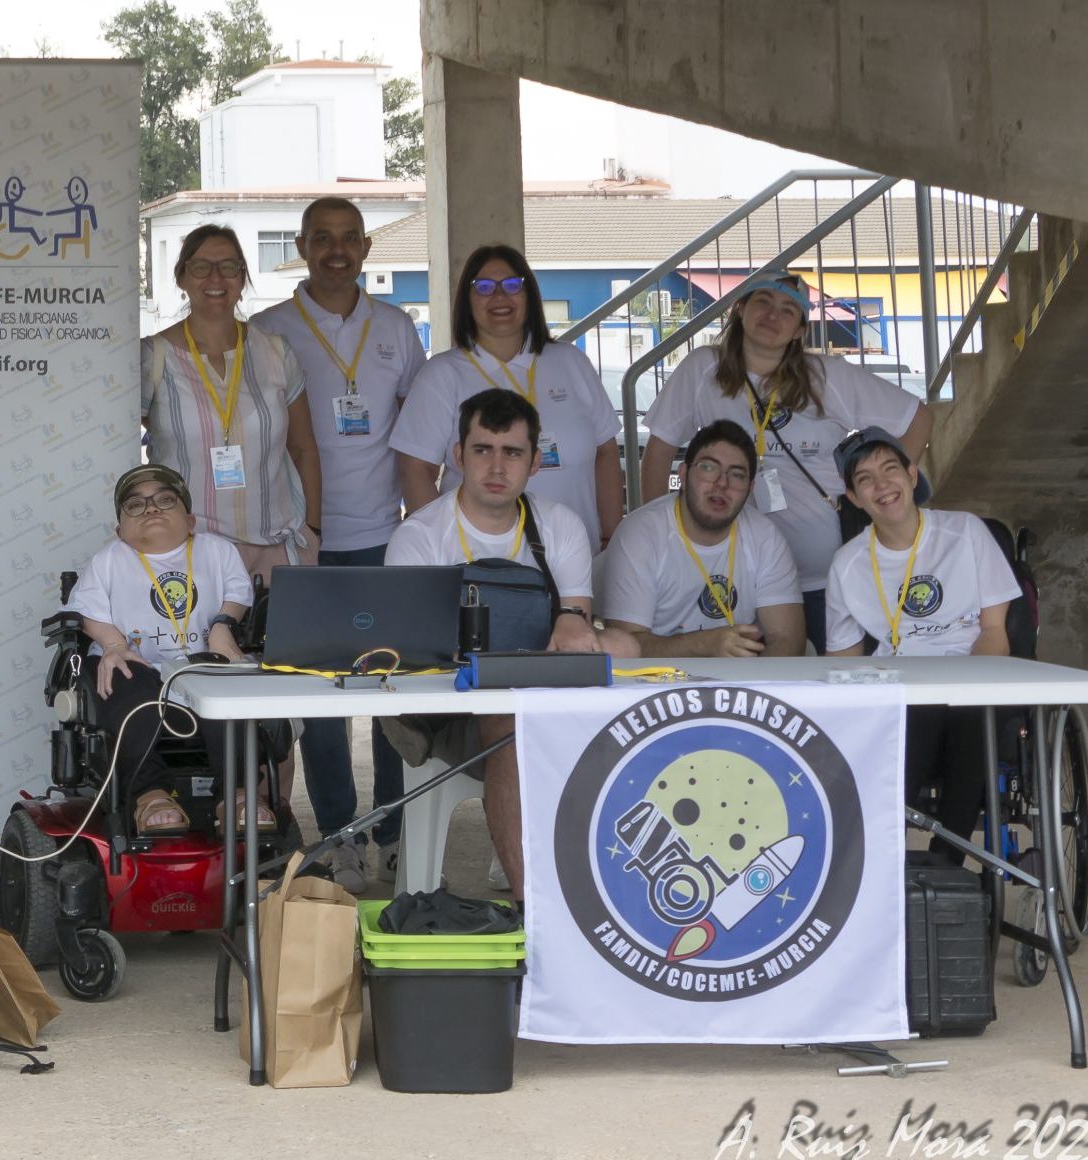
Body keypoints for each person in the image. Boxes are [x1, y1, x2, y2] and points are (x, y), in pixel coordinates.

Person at [386, 389, 631, 893]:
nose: (497, 466)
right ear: (458, 456)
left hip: (539, 691)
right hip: (442, 707)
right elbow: (406, 657)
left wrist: (571, 620)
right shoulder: (420, 536)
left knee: (625, 675)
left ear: (535, 463)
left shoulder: (559, 526)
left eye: (513, 452)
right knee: (508, 718)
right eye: (482, 449)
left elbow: (576, 631)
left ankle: (610, 887)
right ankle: (533, 907)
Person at [252, 196, 426, 892]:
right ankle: (339, 836)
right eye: (322, 238)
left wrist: (423, 525)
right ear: (301, 245)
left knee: (393, 695)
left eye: (349, 239)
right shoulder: (268, 330)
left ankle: (391, 830)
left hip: (387, 535)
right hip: (306, 541)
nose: (336, 250)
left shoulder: (395, 328)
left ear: (365, 248)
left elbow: (416, 432)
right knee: (321, 704)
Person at [641, 272, 931, 633]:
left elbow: (916, 418)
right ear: (740, 309)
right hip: (734, 576)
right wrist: (653, 532)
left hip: (828, 575)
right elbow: (659, 449)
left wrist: (884, 494)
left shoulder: (828, 375)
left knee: (836, 677)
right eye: (763, 302)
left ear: (799, 331)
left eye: (788, 310)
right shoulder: (703, 368)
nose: (772, 315)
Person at [823, 427, 1019, 861]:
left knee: (970, 720)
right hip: (899, 683)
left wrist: (959, 688)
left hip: (974, 675)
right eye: (865, 479)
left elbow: (993, 632)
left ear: (912, 475)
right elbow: (844, 658)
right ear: (854, 498)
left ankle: (945, 860)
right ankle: (880, 861)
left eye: (890, 469)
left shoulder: (966, 532)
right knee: (909, 716)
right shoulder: (847, 565)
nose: (882, 485)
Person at [66, 465, 260, 835]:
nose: (151, 509)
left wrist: (222, 626)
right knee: (128, 679)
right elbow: (86, 612)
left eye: (164, 501)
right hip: (139, 663)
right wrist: (113, 645)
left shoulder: (216, 550)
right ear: (120, 530)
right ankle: (149, 793)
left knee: (226, 688)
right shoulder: (110, 558)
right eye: (135, 505)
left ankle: (235, 794)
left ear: (190, 520)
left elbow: (238, 595)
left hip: (201, 661)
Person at [393, 245, 621, 548]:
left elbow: (605, 452)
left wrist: (611, 537)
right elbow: (415, 470)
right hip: (482, 566)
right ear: (467, 300)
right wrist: (445, 548)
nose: (499, 296)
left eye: (513, 285)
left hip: (577, 555)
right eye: (484, 287)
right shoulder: (442, 373)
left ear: (530, 295)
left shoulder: (570, 361)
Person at [143, 223, 322, 579]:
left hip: (277, 547)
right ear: (181, 277)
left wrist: (313, 531)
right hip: (189, 551)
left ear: (242, 278)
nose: (215, 278)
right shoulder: (152, 356)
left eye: (229, 267)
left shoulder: (275, 351)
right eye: (200, 267)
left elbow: (304, 449)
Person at [598, 420, 806, 657]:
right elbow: (625, 649)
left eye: (737, 475)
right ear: (684, 475)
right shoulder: (640, 534)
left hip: (741, 685)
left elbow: (788, 640)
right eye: (708, 468)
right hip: (656, 685)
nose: (721, 484)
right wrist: (704, 644)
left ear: (750, 490)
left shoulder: (766, 537)